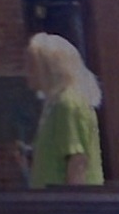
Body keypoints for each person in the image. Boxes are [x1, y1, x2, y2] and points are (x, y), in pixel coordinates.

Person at [24, 32, 104, 186]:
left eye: (31, 66)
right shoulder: (55, 104)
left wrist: (71, 206)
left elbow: (77, 162)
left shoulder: (67, 104)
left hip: (63, 205)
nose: (26, 72)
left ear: (48, 68)